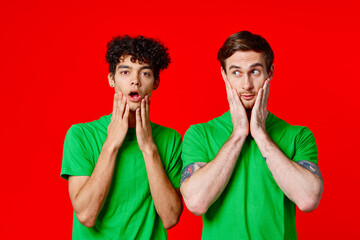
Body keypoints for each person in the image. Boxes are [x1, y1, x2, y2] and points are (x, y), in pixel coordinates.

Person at [180, 31, 323, 239]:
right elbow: (196, 203)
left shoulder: (298, 135)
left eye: (254, 72)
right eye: (236, 73)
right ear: (224, 75)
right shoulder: (199, 134)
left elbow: (308, 199)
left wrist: (260, 134)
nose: (246, 85)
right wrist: (238, 134)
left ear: (270, 72)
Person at [61, 35, 183, 239]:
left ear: (156, 82)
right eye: (125, 72)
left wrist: (149, 148)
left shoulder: (170, 139)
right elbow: (86, 214)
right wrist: (111, 144)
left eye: (145, 73)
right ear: (111, 79)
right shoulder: (80, 135)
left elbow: (170, 218)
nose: (135, 80)